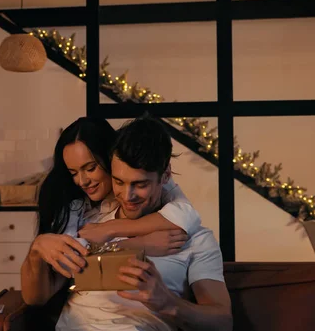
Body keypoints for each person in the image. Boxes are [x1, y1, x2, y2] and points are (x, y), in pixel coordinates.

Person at [53, 117, 232, 331]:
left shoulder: (192, 238)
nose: (127, 196)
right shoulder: (89, 217)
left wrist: (167, 302)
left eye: (140, 184)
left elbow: (223, 322)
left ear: (165, 175)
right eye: (119, 182)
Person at [21, 117, 201, 306]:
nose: (82, 181)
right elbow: (42, 292)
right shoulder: (77, 209)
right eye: (73, 173)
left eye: (90, 168)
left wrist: (114, 229)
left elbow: (186, 215)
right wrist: (37, 248)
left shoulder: (149, 188)